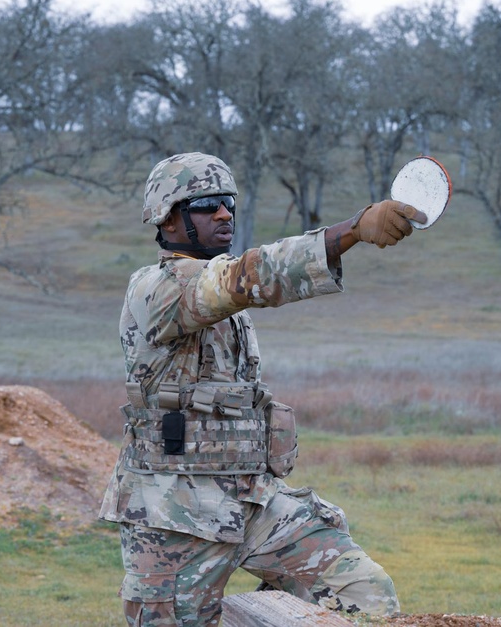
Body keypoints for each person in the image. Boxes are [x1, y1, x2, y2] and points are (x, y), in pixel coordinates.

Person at [99, 152, 427, 627]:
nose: (225, 214)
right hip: (174, 516)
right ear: (167, 216)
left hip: (252, 500)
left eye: (228, 202)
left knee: (362, 592)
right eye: (207, 204)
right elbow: (250, 276)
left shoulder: (225, 306)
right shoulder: (157, 290)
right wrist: (351, 231)